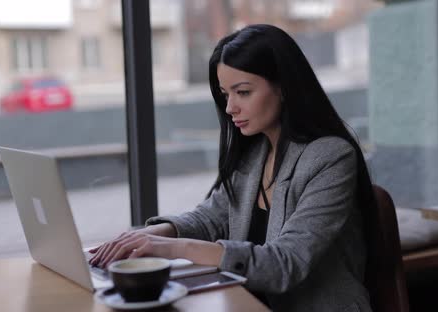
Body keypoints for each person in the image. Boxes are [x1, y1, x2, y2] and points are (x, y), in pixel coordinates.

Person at [89, 24, 375, 312]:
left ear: (284, 88)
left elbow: (286, 263)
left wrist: (172, 248)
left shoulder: (331, 158)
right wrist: (148, 237)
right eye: (226, 94)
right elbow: (210, 218)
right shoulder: (255, 153)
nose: (230, 108)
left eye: (243, 92)